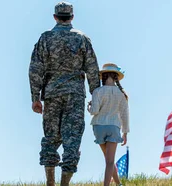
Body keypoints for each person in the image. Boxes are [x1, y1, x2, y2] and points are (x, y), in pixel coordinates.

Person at [28, 1, 100, 186]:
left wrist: (35, 98)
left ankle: (50, 183)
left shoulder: (45, 38)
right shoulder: (82, 39)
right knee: (72, 140)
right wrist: (95, 94)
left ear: (55, 17)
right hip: (75, 95)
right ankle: (64, 184)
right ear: (72, 17)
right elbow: (92, 68)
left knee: (51, 138)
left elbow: (35, 69)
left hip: (52, 94)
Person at [88, 63, 129, 186]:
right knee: (110, 161)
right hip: (114, 127)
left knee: (108, 159)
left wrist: (89, 107)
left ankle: (118, 184)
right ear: (116, 77)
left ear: (103, 76)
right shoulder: (121, 94)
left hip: (98, 127)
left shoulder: (97, 91)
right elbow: (124, 114)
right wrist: (125, 132)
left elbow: (94, 111)